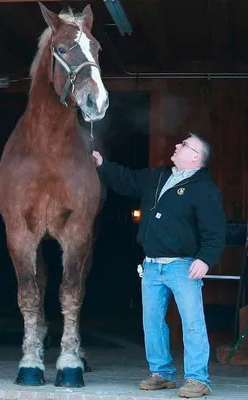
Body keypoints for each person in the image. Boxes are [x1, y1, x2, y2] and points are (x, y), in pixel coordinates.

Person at [92, 133, 226, 398]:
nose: (177, 146)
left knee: (192, 323)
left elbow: (216, 230)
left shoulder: (204, 188)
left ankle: (198, 379)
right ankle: (162, 374)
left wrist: (205, 259)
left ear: (196, 157)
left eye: (184, 145)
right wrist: (101, 164)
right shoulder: (158, 176)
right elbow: (126, 180)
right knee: (152, 322)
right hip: (152, 265)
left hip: (183, 266)